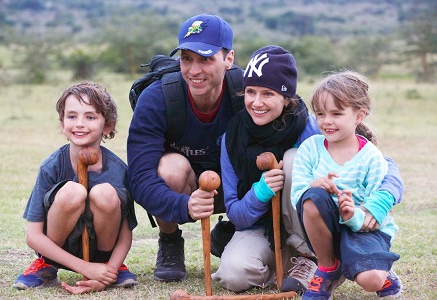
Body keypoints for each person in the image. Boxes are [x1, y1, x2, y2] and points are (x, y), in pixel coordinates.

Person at [127, 14, 241, 282]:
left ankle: (236, 228)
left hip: (236, 185)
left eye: (205, 59)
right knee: (169, 168)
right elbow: (140, 178)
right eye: (187, 58)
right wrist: (185, 206)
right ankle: (169, 239)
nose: (194, 70)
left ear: (229, 59)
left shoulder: (248, 92)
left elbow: (291, 115)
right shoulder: (157, 97)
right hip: (185, 187)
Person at [211, 45, 319, 293]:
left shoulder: (310, 130)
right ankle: (289, 269)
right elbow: (236, 214)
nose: (256, 103)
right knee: (233, 274)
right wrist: (261, 191)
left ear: (286, 98)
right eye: (251, 92)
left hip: (310, 230)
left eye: (268, 94)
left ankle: (316, 261)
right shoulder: (232, 138)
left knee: (292, 159)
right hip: (261, 228)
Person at [13, 81, 138, 294]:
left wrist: (109, 270)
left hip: (102, 250)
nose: (79, 124)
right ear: (62, 123)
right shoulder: (51, 166)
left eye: (90, 117)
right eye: (72, 116)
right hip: (57, 247)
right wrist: (85, 268)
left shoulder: (119, 170)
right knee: (73, 191)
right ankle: (47, 265)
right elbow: (33, 235)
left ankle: (107, 265)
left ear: (107, 125)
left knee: (104, 192)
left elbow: (125, 235)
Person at [291, 70, 402, 299]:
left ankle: (384, 275)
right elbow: (297, 196)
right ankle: (327, 269)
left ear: (359, 115)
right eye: (320, 114)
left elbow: (374, 214)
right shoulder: (311, 148)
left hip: (362, 230)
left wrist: (352, 214)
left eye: (336, 113)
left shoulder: (371, 158)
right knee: (312, 198)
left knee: (371, 280)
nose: (326, 121)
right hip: (324, 228)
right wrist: (315, 184)